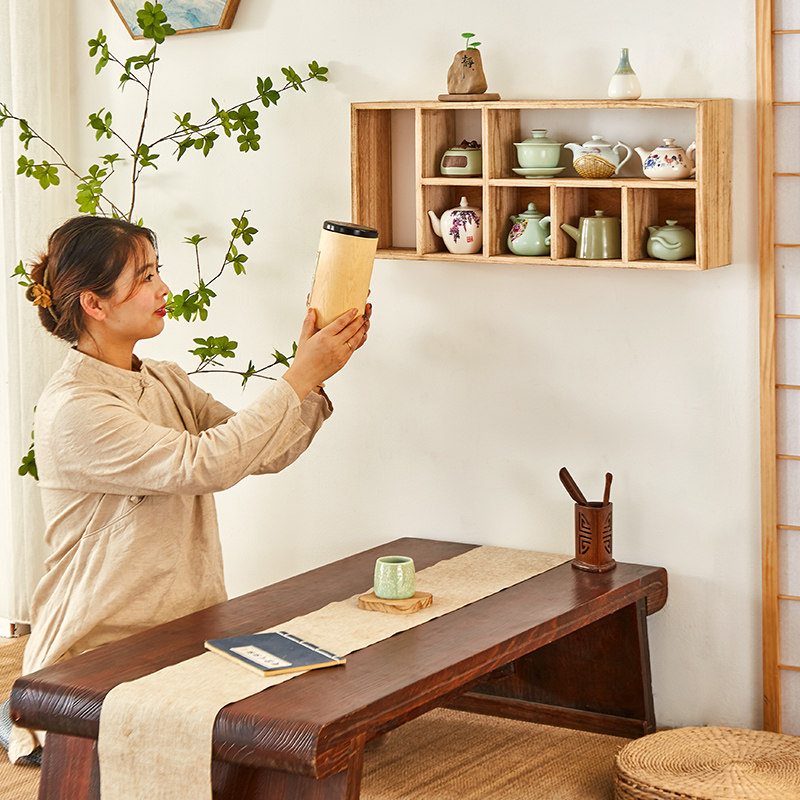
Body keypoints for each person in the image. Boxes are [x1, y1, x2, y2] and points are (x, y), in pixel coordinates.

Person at [3, 214, 371, 764]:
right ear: (94, 304)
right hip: (99, 647)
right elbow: (206, 464)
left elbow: (261, 452)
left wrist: (313, 379)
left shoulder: (165, 378)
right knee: (251, 752)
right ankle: (30, 714)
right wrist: (296, 376)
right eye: (145, 277)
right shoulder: (76, 409)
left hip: (189, 631)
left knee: (341, 718)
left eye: (158, 272)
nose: (164, 289)